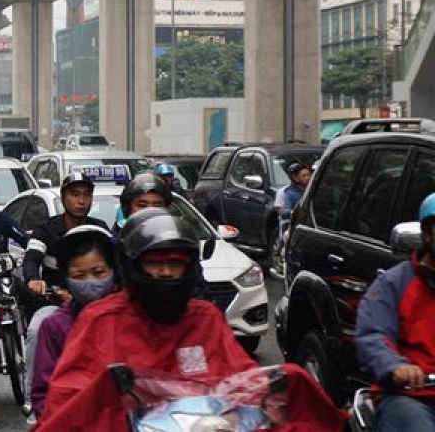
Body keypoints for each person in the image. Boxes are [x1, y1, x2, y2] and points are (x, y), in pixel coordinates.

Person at [36, 208, 347, 431]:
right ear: (132, 267)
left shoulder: (206, 318)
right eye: (155, 263)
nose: (167, 272)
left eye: (176, 263)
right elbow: (70, 406)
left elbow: (243, 385)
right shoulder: (99, 321)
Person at [21, 171, 108, 412]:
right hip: (56, 303)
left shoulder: (100, 230)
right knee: (38, 328)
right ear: (63, 197)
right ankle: (31, 397)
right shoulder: (45, 230)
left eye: (87, 195)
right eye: (75, 194)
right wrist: (34, 279)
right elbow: (31, 259)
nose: (81, 200)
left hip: (96, 305)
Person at [355, 192, 435, 432]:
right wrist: (395, 366)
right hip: (412, 397)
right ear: (427, 234)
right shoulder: (394, 284)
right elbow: (373, 335)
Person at [30, 225, 117, 418]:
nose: (90, 281)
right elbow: (44, 395)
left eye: (98, 272)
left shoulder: (130, 317)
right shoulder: (54, 327)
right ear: (67, 278)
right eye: (79, 276)